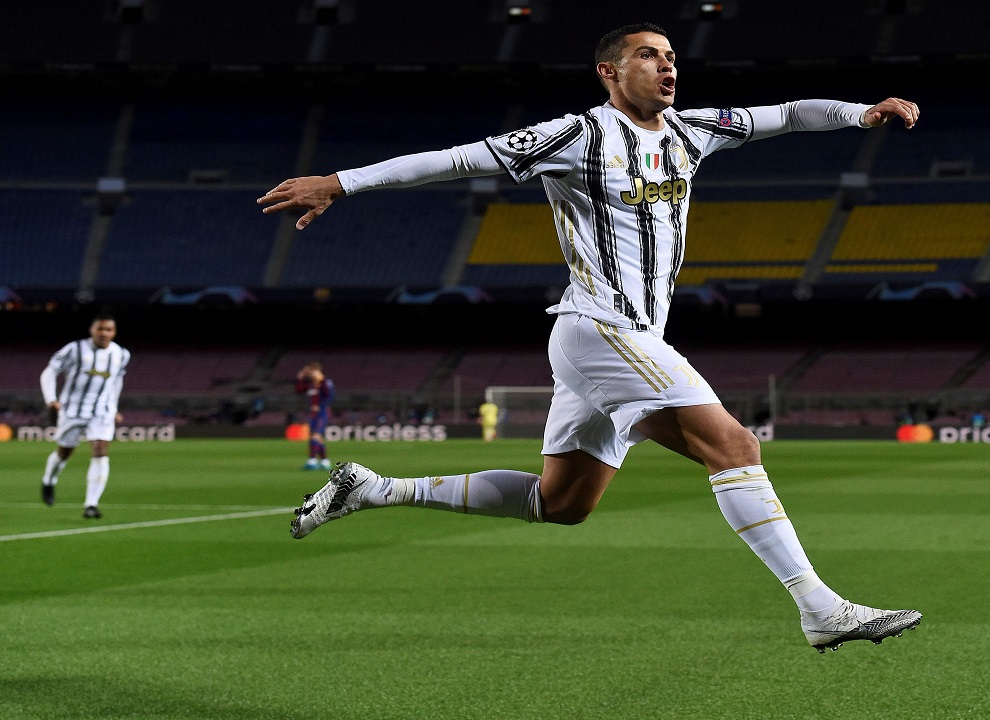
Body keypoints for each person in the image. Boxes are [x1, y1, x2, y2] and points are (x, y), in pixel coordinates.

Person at [259, 22, 922, 652]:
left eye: (671, 56)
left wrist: (860, 113)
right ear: (609, 71)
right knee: (734, 445)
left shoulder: (693, 132)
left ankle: (375, 488)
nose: (667, 66)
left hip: (615, 338)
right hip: (603, 329)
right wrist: (339, 183)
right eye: (648, 56)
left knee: (562, 503)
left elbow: (788, 113)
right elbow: (458, 159)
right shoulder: (576, 136)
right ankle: (820, 608)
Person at [38, 314, 130, 519]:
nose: (104, 333)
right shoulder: (75, 349)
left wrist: (114, 408)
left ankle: (91, 504)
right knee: (64, 452)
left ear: (114, 332)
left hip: (102, 411)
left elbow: (117, 381)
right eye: (100, 329)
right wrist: (51, 399)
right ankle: (49, 480)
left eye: (108, 330)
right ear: (92, 330)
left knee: (100, 450)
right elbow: (50, 372)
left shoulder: (121, 354)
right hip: (72, 410)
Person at [295, 362, 334, 470]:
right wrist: (300, 378)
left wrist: (321, 380)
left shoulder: (325, 382)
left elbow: (329, 396)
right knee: (317, 438)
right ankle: (325, 461)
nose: (309, 374)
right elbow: (299, 391)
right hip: (314, 414)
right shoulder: (311, 384)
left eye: (310, 372)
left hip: (322, 413)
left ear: (316, 371)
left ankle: (312, 460)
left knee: (315, 436)